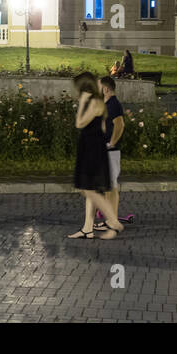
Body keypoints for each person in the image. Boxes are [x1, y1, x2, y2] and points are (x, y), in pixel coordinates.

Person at [67, 71, 122, 240]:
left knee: (92, 190)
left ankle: (113, 222)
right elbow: (103, 126)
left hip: (93, 149)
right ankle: (88, 228)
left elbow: (79, 123)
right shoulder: (98, 102)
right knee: (90, 189)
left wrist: (82, 102)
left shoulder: (95, 102)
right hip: (91, 147)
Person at [93, 76, 126, 231]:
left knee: (111, 187)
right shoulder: (107, 104)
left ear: (106, 89)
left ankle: (113, 222)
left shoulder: (113, 104)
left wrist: (111, 143)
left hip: (110, 151)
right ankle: (110, 220)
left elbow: (119, 125)